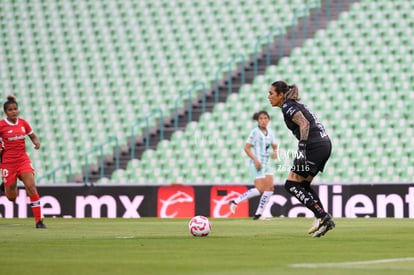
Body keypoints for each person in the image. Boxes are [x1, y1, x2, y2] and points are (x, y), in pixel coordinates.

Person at [267, 80, 334, 237]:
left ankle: (322, 216)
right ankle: (322, 218)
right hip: (323, 144)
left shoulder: (287, 106)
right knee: (303, 184)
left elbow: (304, 124)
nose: (268, 96)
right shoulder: (292, 105)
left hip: (314, 146)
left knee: (291, 184)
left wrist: (302, 148)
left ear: (281, 95)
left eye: (271, 93)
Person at [0, 95, 46, 228]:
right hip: (8, 163)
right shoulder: (1, 125)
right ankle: (6, 186)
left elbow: (32, 135)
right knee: (12, 198)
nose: (14, 111)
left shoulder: (23, 123)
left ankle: (39, 221)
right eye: (10, 110)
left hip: (22, 160)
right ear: (6, 112)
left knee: (31, 187)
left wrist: (36, 142)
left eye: (15, 109)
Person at [229, 110, 278, 220]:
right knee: (260, 189)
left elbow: (275, 145)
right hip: (256, 163)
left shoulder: (270, 132)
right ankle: (235, 202)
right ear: (257, 120)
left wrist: (275, 152)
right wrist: (255, 160)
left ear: (268, 120)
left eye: (265, 118)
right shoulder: (255, 132)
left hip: (266, 163)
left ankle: (259, 214)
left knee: (270, 188)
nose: (263, 120)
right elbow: (246, 148)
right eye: (261, 118)